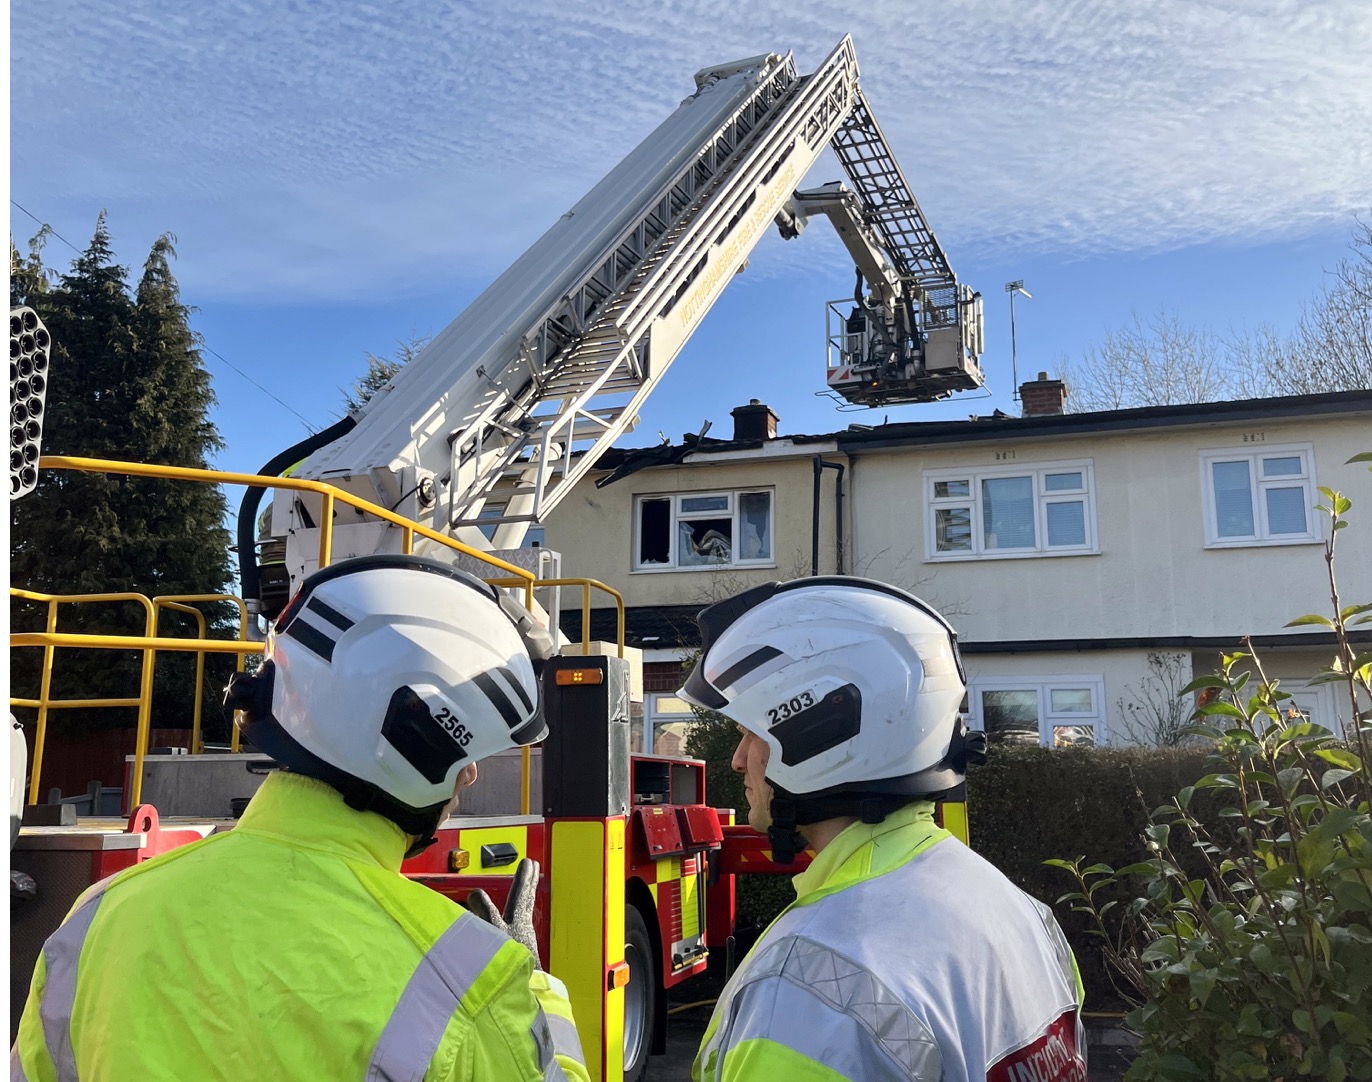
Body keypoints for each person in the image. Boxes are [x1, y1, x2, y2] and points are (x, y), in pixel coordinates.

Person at [12, 555, 588, 1082]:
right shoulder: (466, 984)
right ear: (411, 747)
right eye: (467, 761)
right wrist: (539, 992)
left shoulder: (100, 916)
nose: (472, 778)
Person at [681, 577, 1087, 1082]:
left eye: (750, 735)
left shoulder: (805, 999)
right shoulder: (1018, 910)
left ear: (817, 735)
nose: (738, 762)